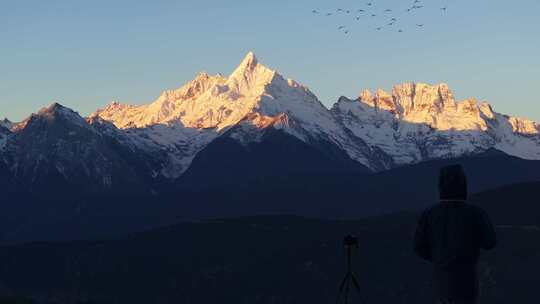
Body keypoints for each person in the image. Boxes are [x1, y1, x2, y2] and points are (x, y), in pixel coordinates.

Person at [414, 164, 497, 304]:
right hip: (467, 278)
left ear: (440, 186)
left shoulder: (429, 213)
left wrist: (438, 257)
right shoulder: (475, 212)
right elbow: (490, 242)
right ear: (464, 184)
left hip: (440, 279)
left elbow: (418, 246)